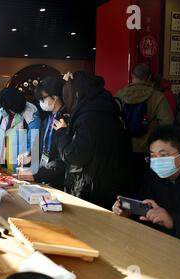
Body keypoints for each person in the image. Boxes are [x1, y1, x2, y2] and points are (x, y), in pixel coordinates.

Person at [112, 126, 180, 251]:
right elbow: (142, 199)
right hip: (162, 247)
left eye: (163, 155)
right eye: (153, 156)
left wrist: (174, 221)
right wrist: (129, 210)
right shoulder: (154, 174)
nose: (157, 162)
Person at [56, 71, 133, 210]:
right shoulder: (112, 111)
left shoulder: (87, 118)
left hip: (91, 191)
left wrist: (62, 133)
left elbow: (74, 156)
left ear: (77, 94)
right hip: (113, 187)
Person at [116, 63, 174, 191]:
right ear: (149, 77)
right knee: (145, 186)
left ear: (132, 76)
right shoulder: (157, 96)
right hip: (147, 152)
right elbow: (168, 122)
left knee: (126, 185)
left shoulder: (120, 94)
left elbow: (113, 120)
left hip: (124, 149)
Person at [18, 77, 67, 190]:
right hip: (45, 177)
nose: (41, 102)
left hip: (59, 182)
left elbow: (63, 159)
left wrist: (36, 175)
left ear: (55, 98)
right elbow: (41, 146)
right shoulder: (48, 119)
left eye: (43, 98)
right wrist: (30, 157)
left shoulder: (65, 120)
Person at [0, 88, 41, 173]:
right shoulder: (1, 115)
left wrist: (26, 156)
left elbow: (33, 143)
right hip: (2, 164)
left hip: (21, 167)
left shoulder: (31, 118)